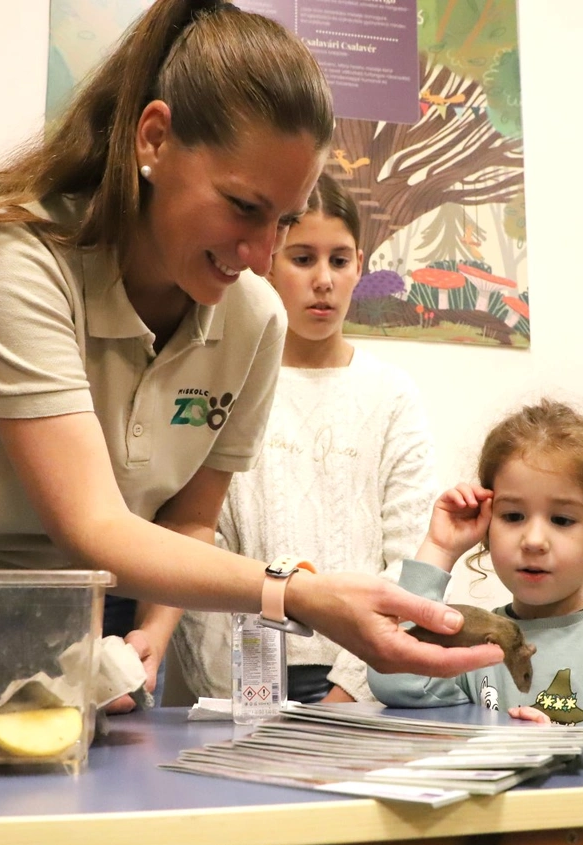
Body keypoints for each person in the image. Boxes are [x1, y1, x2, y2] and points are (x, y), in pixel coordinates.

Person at [0, 0, 501, 704]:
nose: (261, 256)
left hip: (94, 613)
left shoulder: (254, 319)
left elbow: (189, 519)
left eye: (284, 220)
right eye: (244, 206)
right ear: (155, 139)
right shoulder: (15, 249)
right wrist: (298, 593)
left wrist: (154, 631)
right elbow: (91, 525)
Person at [170, 173, 437, 704]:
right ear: (268, 262)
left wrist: (353, 689)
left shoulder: (390, 394)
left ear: (360, 265)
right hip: (245, 687)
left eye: (339, 260)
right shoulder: (228, 383)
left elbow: (410, 555)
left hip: (364, 681)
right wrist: (240, 696)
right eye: (302, 258)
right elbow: (202, 548)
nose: (324, 280)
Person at [367, 400, 583, 735]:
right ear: (486, 528)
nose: (534, 540)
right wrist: (439, 548)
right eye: (513, 516)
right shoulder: (475, 642)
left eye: (562, 520)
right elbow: (395, 679)